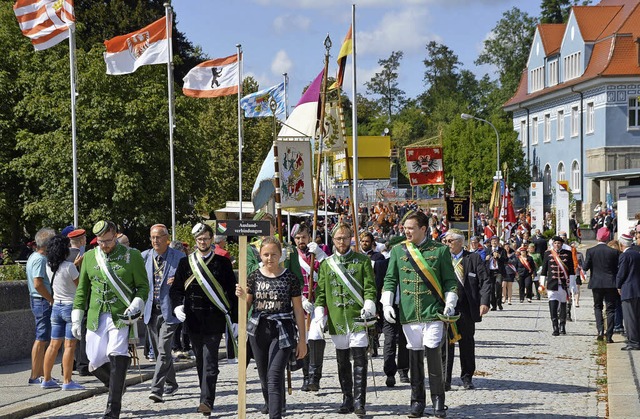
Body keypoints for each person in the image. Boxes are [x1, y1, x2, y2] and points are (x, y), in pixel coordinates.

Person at [382, 211, 458, 418]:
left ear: (423, 229)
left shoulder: (441, 251)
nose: (406, 231)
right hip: (409, 312)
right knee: (414, 356)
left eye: (411, 228)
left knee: (433, 352)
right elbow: (390, 279)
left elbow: (450, 280)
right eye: (405, 228)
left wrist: (450, 301)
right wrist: (387, 303)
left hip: (433, 311)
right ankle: (417, 400)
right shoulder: (398, 251)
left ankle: (438, 400)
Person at [71, 221, 148, 419]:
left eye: (107, 241)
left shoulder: (133, 256)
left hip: (121, 314)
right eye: (100, 242)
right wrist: (77, 315)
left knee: (116, 353)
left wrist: (137, 303)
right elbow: (82, 290)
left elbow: (142, 286)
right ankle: (117, 385)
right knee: (94, 360)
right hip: (97, 315)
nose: (103, 245)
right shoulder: (89, 257)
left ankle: (112, 409)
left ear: (115, 235)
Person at [170, 222, 237, 416]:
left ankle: (206, 401)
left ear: (211, 240)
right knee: (200, 361)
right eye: (199, 239)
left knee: (210, 361)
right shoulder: (185, 263)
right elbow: (176, 290)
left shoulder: (222, 263)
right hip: (193, 320)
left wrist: (234, 318)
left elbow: (231, 293)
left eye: (206, 238)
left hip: (214, 319)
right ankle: (205, 395)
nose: (203, 242)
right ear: (195, 240)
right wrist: (177, 306)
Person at [235, 237, 307, 419]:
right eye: (266, 254)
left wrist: (302, 341)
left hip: (283, 330)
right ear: (260, 255)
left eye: (273, 254)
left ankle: (275, 415)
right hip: (258, 330)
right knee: (264, 377)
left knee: (274, 375)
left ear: (281, 255)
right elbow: (247, 307)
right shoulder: (254, 277)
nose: (269, 258)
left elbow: (298, 310)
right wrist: (241, 297)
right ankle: (272, 405)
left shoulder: (290, 278)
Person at [314, 223, 377, 417]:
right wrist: (318, 312)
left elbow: (370, 287)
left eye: (345, 237)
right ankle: (347, 398)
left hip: (357, 317)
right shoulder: (326, 264)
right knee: (342, 361)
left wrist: (369, 304)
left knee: (360, 360)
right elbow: (321, 292)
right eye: (338, 238)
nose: (342, 241)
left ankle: (359, 402)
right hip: (337, 318)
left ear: (351, 238)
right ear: (332, 240)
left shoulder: (362, 261)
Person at [442, 229, 491, 391]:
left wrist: (484, 302)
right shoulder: (442, 258)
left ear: (460, 242)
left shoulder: (473, 258)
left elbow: (484, 281)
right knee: (445, 345)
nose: (447, 244)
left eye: (450, 241)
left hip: (466, 308)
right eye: (445, 241)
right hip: (446, 308)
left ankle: (467, 377)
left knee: (467, 344)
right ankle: (445, 379)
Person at [142, 224, 185, 402]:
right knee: (163, 352)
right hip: (150, 311)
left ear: (167, 238)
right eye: (152, 237)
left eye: (158, 237)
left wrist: (178, 281)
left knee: (163, 350)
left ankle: (156, 389)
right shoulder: (144, 257)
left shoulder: (180, 257)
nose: (155, 241)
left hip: (171, 311)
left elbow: (188, 282)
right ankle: (172, 383)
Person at [285, 223, 327, 392]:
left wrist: (321, 254)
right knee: (303, 337)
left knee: (316, 335)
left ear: (309, 236)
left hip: (319, 300)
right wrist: (301, 299)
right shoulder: (290, 255)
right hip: (299, 301)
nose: (301, 240)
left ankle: (314, 377)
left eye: (304, 237)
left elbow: (330, 271)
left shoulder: (319, 250)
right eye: (297, 237)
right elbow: (287, 278)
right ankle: (305, 376)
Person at [41, 234, 85, 390]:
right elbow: (79, 287)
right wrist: (76, 265)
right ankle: (67, 381)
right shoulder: (70, 267)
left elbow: (61, 275)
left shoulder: (49, 265)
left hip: (56, 307)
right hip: (70, 307)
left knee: (53, 345)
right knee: (69, 346)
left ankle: (46, 379)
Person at [27, 227, 56, 385]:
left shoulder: (34, 256)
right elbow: (38, 283)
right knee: (41, 338)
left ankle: (43, 374)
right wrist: (50, 299)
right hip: (42, 300)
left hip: (39, 300)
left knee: (43, 338)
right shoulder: (40, 259)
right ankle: (35, 375)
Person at [583, 227, 619, 343]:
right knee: (610, 309)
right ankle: (609, 335)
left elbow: (585, 267)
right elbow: (617, 268)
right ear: (608, 237)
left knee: (598, 307)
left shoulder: (591, 251)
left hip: (596, 282)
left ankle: (599, 330)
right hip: (610, 283)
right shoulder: (613, 252)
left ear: (598, 237)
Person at [540, 236, 575, 336]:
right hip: (552, 283)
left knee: (563, 305)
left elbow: (571, 270)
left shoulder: (567, 253)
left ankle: (562, 325)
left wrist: (572, 285)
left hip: (564, 284)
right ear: (553, 244)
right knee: (553, 305)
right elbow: (544, 270)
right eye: (555, 243)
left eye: (559, 243)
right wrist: (542, 284)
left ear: (562, 244)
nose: (557, 245)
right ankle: (555, 326)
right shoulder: (548, 253)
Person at [616, 234, 640, 350]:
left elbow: (621, 274)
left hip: (628, 289)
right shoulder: (637, 254)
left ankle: (633, 342)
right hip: (638, 289)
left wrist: (618, 285)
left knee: (629, 318)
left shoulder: (624, 256)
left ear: (621, 245)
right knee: (637, 316)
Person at [485, 236, 507, 311]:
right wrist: (486, 259)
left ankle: (499, 303)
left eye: (495, 241)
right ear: (490, 242)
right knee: (491, 289)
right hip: (490, 271)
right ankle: (493, 305)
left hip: (498, 271)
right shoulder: (487, 250)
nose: (494, 242)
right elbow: (482, 261)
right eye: (493, 241)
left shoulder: (502, 250)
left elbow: (506, 260)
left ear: (498, 242)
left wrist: (499, 256)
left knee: (498, 287)